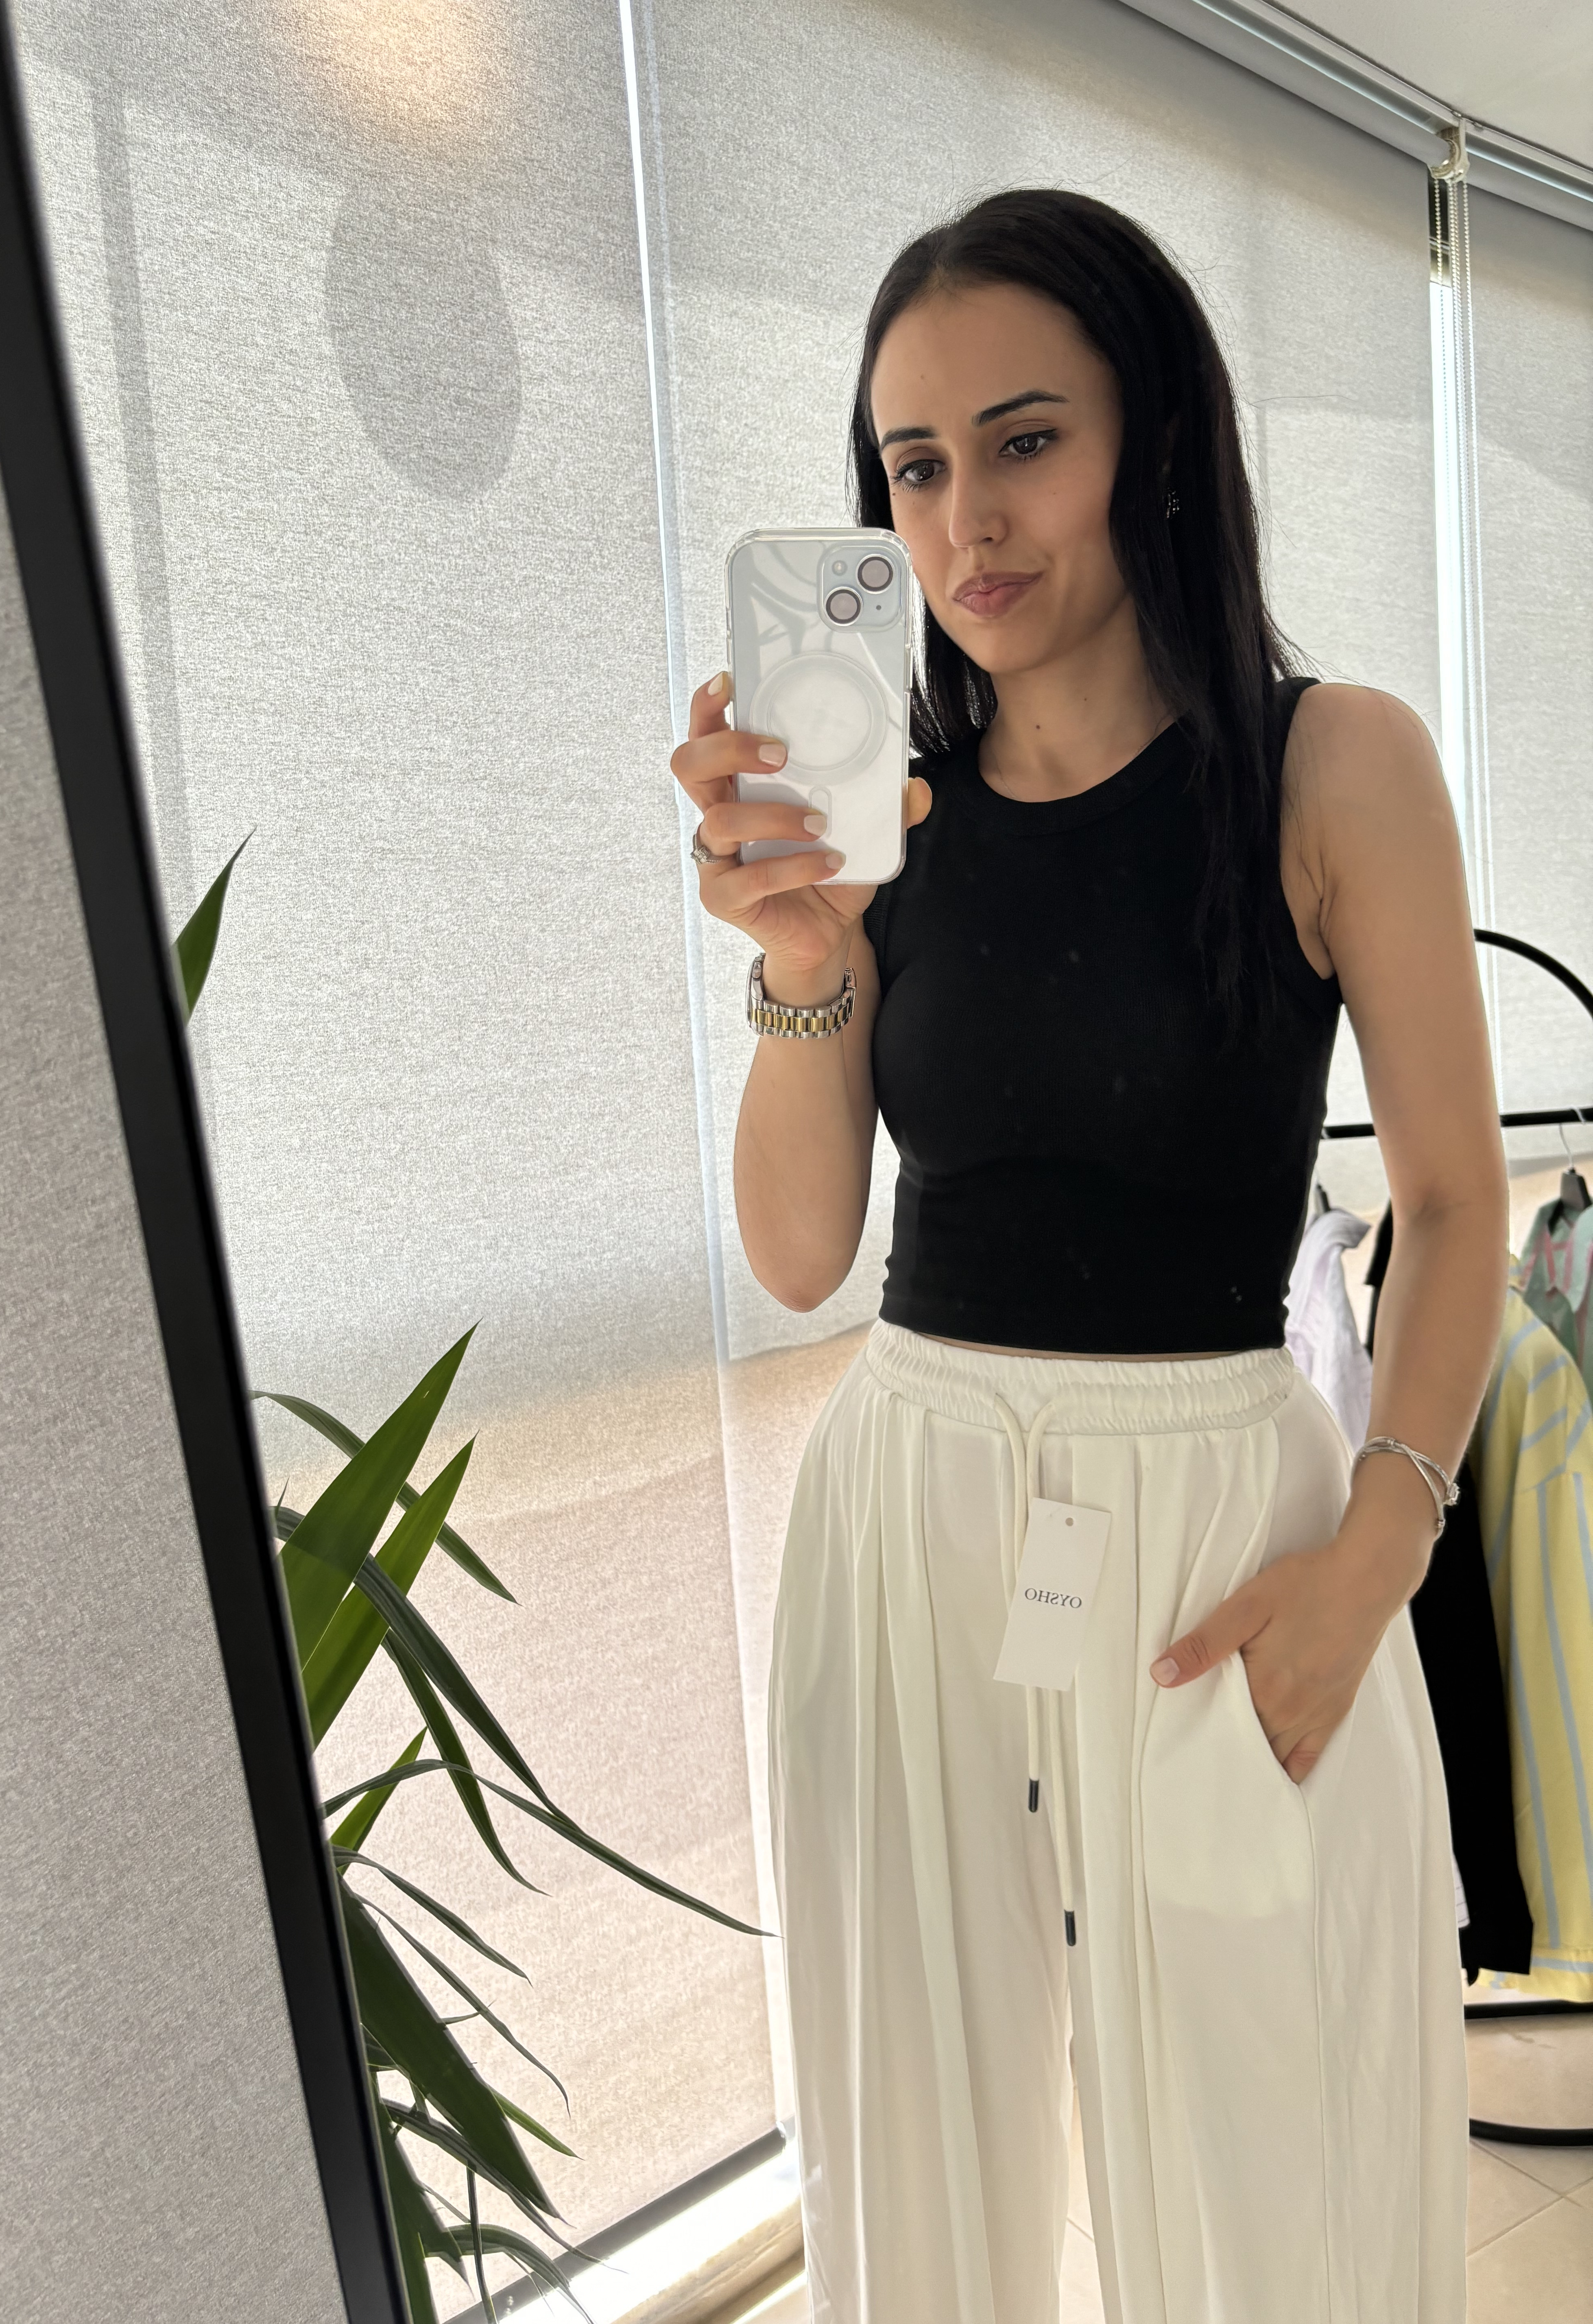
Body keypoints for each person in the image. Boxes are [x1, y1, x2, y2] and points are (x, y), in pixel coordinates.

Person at [671, 190, 1506, 2324]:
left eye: (1026, 441)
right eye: (914, 466)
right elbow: (799, 1252)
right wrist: (801, 963)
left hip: (1222, 1528)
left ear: (1155, 435)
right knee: (912, 2148)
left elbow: (1454, 1200)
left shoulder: (1332, 764)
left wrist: (1381, 1552)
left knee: (1268, 2166)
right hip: (910, 1514)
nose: (968, 521)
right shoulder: (890, 818)